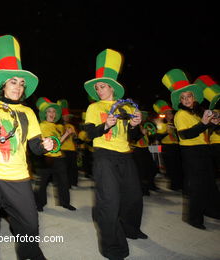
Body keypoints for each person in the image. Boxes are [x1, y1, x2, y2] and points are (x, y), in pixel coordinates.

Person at [0, 35, 53, 260]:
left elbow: (35, 147)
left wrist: (46, 145)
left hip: (18, 177)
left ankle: (28, 255)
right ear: (3, 85)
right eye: (13, 81)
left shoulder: (29, 113)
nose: (18, 86)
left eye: (21, 83)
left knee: (30, 227)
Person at [83, 48, 146, 260]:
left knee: (134, 197)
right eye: (97, 87)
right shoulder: (94, 107)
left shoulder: (125, 107)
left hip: (125, 155)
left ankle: (131, 229)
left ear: (112, 88)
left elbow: (133, 136)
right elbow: (89, 132)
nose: (99, 90)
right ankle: (111, 247)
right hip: (104, 156)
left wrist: (136, 125)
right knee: (109, 202)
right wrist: (106, 124)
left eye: (102, 86)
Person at [163, 69, 220, 230]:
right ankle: (193, 218)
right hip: (191, 153)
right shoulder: (180, 114)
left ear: (193, 98)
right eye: (183, 97)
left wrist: (213, 122)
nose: (186, 99)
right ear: (180, 100)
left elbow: (205, 129)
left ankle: (212, 210)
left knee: (209, 183)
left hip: (204, 150)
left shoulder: (196, 113)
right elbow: (186, 134)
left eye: (189, 96)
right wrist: (204, 123)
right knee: (196, 186)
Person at [33, 97, 76, 211]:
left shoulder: (57, 127)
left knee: (64, 182)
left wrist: (66, 134)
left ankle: (65, 202)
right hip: (47, 158)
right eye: (49, 111)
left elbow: (57, 144)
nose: (52, 113)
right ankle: (39, 204)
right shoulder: (42, 125)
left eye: (54, 111)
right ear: (45, 113)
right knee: (42, 183)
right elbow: (50, 143)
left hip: (59, 157)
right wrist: (63, 136)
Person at [153, 99, 184, 191]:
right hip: (168, 148)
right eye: (167, 113)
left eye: (171, 113)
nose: (170, 115)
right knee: (171, 167)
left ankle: (180, 184)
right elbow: (157, 137)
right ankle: (174, 185)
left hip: (177, 147)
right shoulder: (162, 124)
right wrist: (167, 132)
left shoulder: (177, 122)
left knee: (179, 166)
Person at [57, 99, 79, 188]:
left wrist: (74, 135)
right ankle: (66, 184)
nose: (67, 117)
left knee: (73, 167)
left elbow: (75, 138)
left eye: (68, 116)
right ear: (62, 117)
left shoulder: (71, 126)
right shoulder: (59, 126)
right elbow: (58, 138)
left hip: (72, 149)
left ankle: (73, 182)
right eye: (65, 116)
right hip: (63, 150)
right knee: (64, 169)